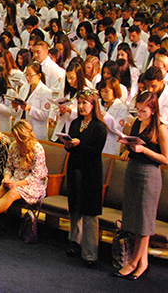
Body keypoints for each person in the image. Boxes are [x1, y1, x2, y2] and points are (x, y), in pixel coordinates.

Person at [115, 91, 168, 280]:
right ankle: (143, 262)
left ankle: (133, 262)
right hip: (133, 170)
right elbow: (133, 147)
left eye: (143, 111)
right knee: (133, 218)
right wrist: (126, 147)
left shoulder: (160, 128)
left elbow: (167, 159)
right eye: (137, 110)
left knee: (144, 221)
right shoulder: (137, 123)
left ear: (153, 110)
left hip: (149, 174)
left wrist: (144, 150)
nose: (139, 114)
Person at [62, 90, 108, 265]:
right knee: (75, 208)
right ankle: (75, 242)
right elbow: (69, 146)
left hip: (90, 172)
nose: (81, 107)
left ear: (93, 105)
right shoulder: (75, 123)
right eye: (79, 103)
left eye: (85, 103)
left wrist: (79, 144)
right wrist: (68, 145)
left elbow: (96, 151)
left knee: (89, 213)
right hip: (75, 168)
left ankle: (90, 253)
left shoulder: (99, 127)